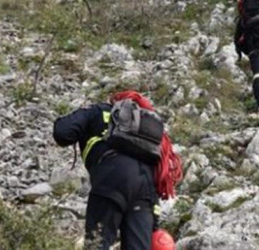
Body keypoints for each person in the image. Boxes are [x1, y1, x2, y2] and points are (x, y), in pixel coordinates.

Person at [53, 91, 182, 249]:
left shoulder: (98, 111)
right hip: (145, 188)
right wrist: (153, 225)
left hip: (112, 178)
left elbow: (62, 133)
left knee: (97, 245)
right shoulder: (146, 137)